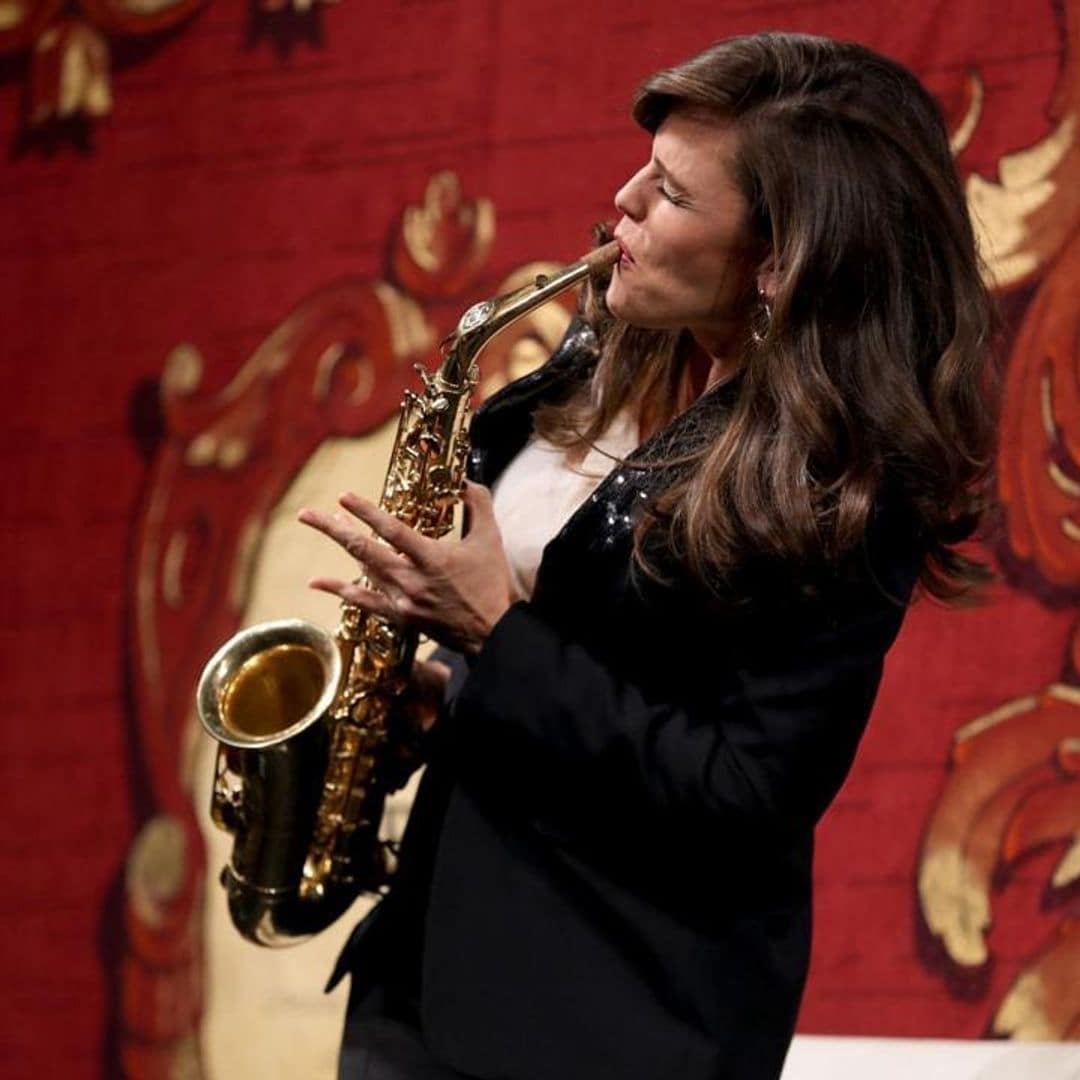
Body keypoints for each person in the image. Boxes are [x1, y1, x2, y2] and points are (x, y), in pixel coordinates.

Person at [298, 30, 997, 1080]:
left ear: (779, 262)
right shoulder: (595, 360)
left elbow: (739, 795)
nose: (620, 201)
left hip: (609, 1019)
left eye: (669, 193)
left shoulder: (844, 487)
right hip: (427, 976)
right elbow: (578, 639)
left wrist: (498, 630)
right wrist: (448, 685)